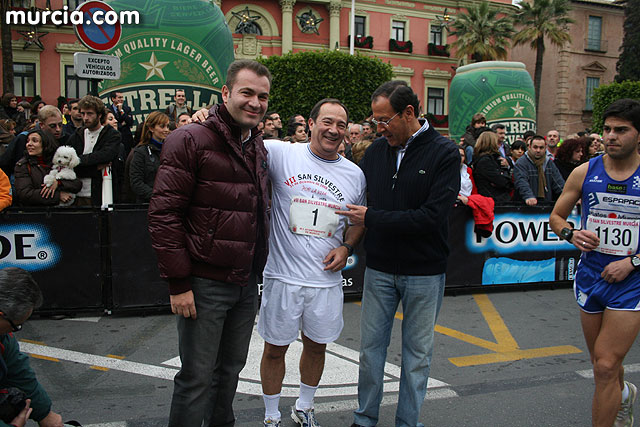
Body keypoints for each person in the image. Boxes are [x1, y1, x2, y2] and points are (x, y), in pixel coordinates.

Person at [147, 59, 271, 427]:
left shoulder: (258, 146)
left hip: (244, 281)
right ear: (225, 93)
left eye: (262, 96)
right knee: (196, 378)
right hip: (203, 284)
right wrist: (179, 284)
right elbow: (164, 214)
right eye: (247, 92)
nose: (255, 102)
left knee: (230, 372)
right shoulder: (189, 138)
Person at [338, 80, 460, 427]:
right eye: (374, 120)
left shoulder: (445, 152)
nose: (379, 128)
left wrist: (372, 218)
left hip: (424, 271)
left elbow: (431, 217)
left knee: (417, 356)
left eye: (384, 120)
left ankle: (408, 422)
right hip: (378, 268)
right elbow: (359, 199)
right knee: (369, 352)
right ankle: (365, 419)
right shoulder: (376, 152)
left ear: (409, 113)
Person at [259, 98, 366, 427]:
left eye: (341, 125)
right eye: (327, 122)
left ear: (347, 132)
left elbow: (358, 221)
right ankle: (271, 415)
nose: (334, 130)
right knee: (275, 350)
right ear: (311, 123)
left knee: (317, 348)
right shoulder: (281, 153)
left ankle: (304, 407)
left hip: (325, 281)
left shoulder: (354, 175)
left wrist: (347, 248)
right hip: (282, 277)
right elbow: (236, 137)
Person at [549, 98, 640, 427]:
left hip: (633, 282)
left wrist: (632, 262)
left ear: (638, 135)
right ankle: (623, 395)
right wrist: (571, 234)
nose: (611, 136)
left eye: (621, 130)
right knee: (604, 364)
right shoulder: (585, 172)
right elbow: (557, 217)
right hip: (591, 277)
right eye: (607, 129)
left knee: (603, 366)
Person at [0, 267, 66, 427]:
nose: (14, 331)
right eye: (16, 326)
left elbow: (18, 372)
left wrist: (45, 414)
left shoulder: (3, 336)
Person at [68, 95, 121, 206]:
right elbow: (69, 163)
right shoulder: (76, 136)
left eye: (90, 113)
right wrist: (95, 168)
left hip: (102, 194)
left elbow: (106, 156)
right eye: (83, 114)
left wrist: (78, 161)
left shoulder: (111, 135)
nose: (86, 117)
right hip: (78, 194)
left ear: (99, 115)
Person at [13, 129, 81, 206]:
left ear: (45, 143)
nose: (29, 144)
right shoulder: (22, 165)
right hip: (35, 212)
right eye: (28, 141)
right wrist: (58, 196)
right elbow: (25, 194)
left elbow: (77, 184)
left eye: (34, 141)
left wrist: (58, 183)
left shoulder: (58, 160)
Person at [0, 106, 68, 179]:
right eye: (52, 126)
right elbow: (5, 164)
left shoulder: (66, 138)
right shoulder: (24, 138)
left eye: (60, 125)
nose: (58, 129)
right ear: (41, 125)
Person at [129, 112, 170, 203]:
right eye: (162, 126)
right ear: (151, 128)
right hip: (148, 204)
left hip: (168, 202)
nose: (166, 130)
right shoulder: (140, 152)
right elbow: (136, 183)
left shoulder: (170, 150)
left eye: (167, 126)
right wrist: (157, 197)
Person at [513, 135, 565, 205]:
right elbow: (521, 181)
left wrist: (569, 197)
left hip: (545, 204)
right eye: (535, 147)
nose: (538, 150)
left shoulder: (549, 162)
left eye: (541, 148)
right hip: (524, 206)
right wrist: (529, 196)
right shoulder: (521, 162)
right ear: (529, 147)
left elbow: (558, 183)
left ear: (545, 148)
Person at [471, 131, 513, 204]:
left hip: (495, 198)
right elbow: (502, 182)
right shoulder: (485, 161)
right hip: (493, 200)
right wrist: (505, 175)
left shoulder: (494, 159)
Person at [108, 91, 134, 156]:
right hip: (114, 138)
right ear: (113, 99)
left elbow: (130, 122)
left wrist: (121, 111)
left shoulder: (127, 109)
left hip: (126, 139)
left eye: (122, 97)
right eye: (119, 97)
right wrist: (121, 124)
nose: (121, 99)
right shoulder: (108, 110)